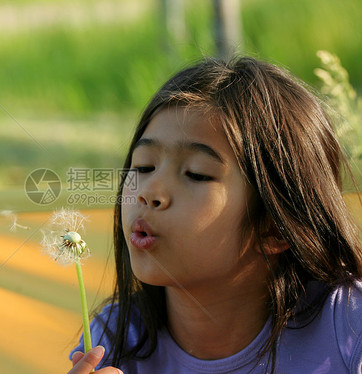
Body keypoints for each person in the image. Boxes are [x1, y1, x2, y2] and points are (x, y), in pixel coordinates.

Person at [68, 56, 362, 373]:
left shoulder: (349, 325)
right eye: (143, 167)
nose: (148, 191)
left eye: (196, 174)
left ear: (277, 227)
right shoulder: (109, 344)